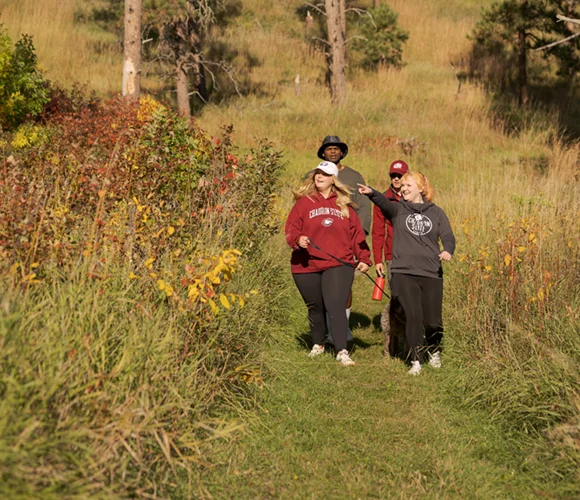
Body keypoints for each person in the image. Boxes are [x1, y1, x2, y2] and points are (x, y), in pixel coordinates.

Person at [358, 171, 455, 375]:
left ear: (421, 188)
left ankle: (434, 350)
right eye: (402, 186)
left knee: (432, 321)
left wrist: (447, 250)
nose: (404, 188)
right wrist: (371, 193)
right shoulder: (398, 210)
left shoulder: (436, 212)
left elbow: (447, 235)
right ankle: (415, 360)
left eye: (408, 185)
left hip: (431, 272)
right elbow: (384, 203)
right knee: (413, 315)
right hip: (403, 272)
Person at [286, 161, 371, 366]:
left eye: (324, 174)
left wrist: (364, 258)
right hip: (306, 265)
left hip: (338, 263)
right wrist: (298, 239)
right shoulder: (304, 203)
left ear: (333, 179)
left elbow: (356, 234)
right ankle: (318, 344)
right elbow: (291, 229)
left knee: (335, 305)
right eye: (317, 173)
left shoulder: (345, 205)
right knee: (315, 306)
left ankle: (342, 350)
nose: (319, 177)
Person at [308, 136, 371, 345]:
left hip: (346, 238)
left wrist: (359, 236)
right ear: (322, 153)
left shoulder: (353, 176)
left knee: (343, 285)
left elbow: (363, 206)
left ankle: (342, 329)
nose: (333, 152)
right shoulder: (312, 175)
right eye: (328, 149)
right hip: (318, 240)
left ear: (342, 152)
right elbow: (303, 204)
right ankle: (325, 331)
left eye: (336, 149)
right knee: (318, 286)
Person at [372, 160, 408, 282]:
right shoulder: (382, 200)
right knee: (396, 292)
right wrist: (378, 260)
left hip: (413, 253)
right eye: (393, 176)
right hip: (392, 254)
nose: (396, 179)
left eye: (400, 176)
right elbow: (378, 232)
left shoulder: (416, 198)